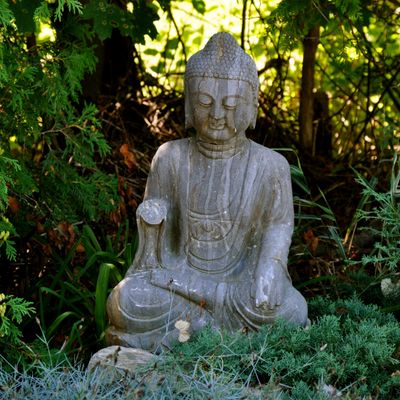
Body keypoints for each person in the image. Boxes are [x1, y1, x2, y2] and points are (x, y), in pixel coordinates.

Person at [106, 32, 307, 351]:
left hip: (239, 287)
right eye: (204, 102)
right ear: (189, 103)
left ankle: (191, 332)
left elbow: (278, 225)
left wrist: (269, 267)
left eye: (230, 104)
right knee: (124, 300)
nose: (216, 115)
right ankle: (216, 332)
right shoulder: (169, 157)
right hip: (179, 278)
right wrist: (153, 219)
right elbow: (154, 234)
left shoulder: (271, 165)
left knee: (292, 310)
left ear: (251, 106)